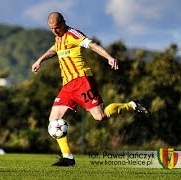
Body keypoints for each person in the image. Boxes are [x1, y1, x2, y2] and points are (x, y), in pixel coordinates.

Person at [31, 12, 151, 166]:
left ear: (63, 22)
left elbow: (93, 45)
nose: (55, 31)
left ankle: (132, 105)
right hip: (67, 86)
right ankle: (67, 157)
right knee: (53, 120)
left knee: (100, 117)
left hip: (82, 81)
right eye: (51, 28)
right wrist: (40, 60)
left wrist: (109, 57)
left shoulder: (73, 34)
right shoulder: (58, 37)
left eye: (57, 27)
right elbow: (55, 49)